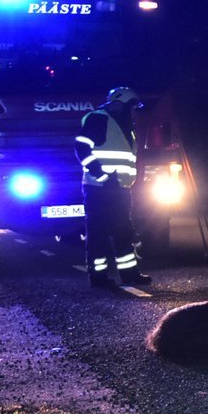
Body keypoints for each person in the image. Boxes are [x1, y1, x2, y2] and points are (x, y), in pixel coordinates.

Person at [76, 86, 151, 288]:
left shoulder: (125, 125)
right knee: (98, 233)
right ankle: (98, 277)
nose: (135, 111)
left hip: (120, 189)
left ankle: (129, 274)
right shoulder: (99, 118)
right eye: (133, 106)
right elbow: (81, 146)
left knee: (123, 232)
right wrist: (100, 174)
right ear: (121, 104)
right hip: (99, 188)